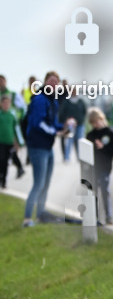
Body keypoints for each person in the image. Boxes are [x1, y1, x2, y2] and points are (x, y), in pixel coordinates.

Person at [23, 71, 66, 226]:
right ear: (45, 82)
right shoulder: (40, 99)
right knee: (38, 184)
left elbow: (53, 124)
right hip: (37, 146)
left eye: (56, 82)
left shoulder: (52, 101)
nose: (54, 84)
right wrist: (56, 131)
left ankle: (40, 215)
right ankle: (27, 218)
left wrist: (64, 126)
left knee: (46, 183)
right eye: (51, 81)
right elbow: (37, 123)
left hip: (48, 146)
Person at [84, 107, 113, 224]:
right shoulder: (90, 135)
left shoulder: (110, 133)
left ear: (101, 118)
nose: (95, 124)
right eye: (92, 122)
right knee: (93, 192)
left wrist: (103, 147)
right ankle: (94, 217)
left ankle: (109, 216)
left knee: (105, 191)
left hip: (105, 167)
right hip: (94, 168)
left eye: (96, 121)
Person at [0, 75, 27, 178]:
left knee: (9, 151)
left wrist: (18, 119)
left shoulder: (12, 94)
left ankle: (18, 168)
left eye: (2, 81)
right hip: (2, 125)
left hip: (12, 125)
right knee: (5, 153)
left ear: (5, 81)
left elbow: (23, 108)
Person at [59, 86, 87, 163]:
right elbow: (62, 112)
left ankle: (80, 158)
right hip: (70, 125)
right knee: (69, 141)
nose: (73, 92)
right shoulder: (67, 101)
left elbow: (84, 111)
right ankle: (67, 157)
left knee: (79, 141)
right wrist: (65, 121)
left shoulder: (81, 101)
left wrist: (81, 119)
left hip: (80, 124)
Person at [0, 94, 18, 188]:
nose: (6, 105)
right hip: (1, 142)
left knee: (6, 162)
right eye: (4, 103)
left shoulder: (12, 116)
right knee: (1, 160)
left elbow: (15, 130)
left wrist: (16, 142)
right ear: (1, 104)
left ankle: (4, 181)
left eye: (8, 103)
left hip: (9, 142)